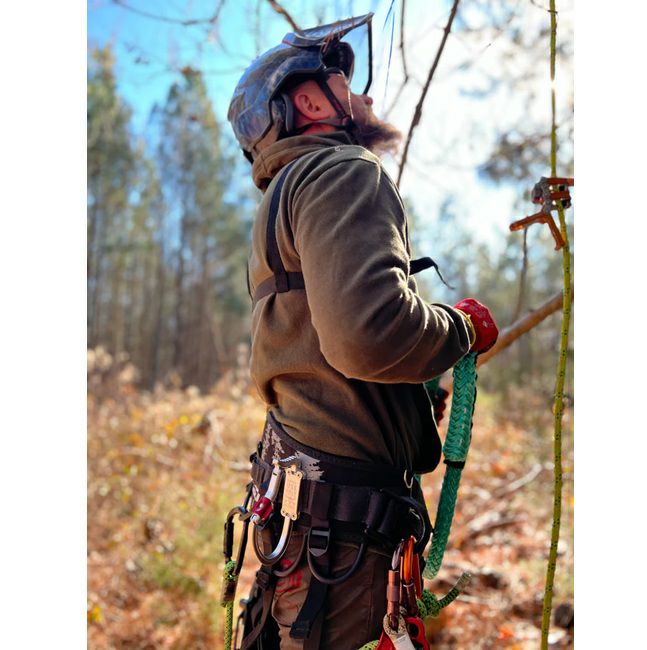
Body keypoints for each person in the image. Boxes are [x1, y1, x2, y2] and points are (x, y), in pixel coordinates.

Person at [227, 13, 498, 650]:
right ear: (311, 102)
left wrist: (409, 401)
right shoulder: (346, 171)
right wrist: (462, 328)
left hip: (306, 524)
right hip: (343, 543)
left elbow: (322, 355)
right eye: (347, 84)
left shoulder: (281, 202)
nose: (367, 98)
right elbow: (368, 338)